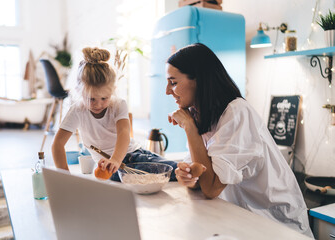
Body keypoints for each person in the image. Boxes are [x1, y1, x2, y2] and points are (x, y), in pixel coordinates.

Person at [166, 43, 313, 237]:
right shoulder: (202, 115)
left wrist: (190, 128)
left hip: (277, 226)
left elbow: (211, 187)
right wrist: (190, 177)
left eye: (173, 82)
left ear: (199, 80)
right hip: (242, 221)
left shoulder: (237, 113)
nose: (168, 91)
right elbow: (201, 174)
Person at [52, 47, 177, 181]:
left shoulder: (118, 105)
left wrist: (116, 160)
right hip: (109, 167)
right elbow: (57, 144)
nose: (98, 104)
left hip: (132, 155)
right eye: (91, 99)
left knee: (173, 171)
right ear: (78, 91)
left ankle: (190, 169)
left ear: (113, 91)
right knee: (118, 177)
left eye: (104, 98)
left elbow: (124, 133)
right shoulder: (77, 110)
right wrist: (65, 176)